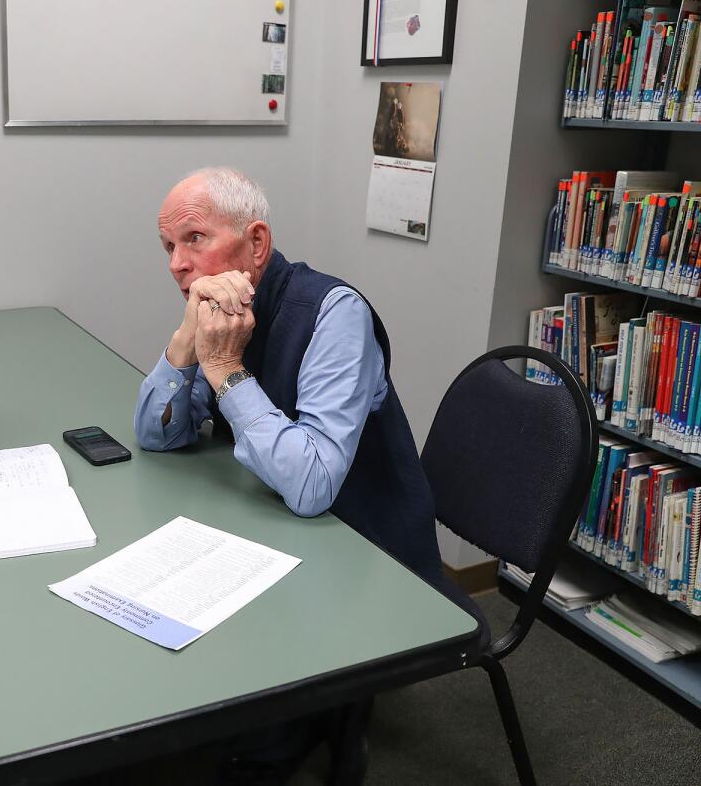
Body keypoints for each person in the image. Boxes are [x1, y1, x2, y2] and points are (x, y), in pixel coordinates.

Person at [134, 167, 468, 783]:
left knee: (246, 750)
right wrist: (185, 341)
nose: (178, 265)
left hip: (367, 548)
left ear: (255, 244)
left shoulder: (333, 314)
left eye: (195, 239)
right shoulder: (218, 317)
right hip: (277, 525)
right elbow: (156, 437)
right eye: (169, 248)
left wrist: (226, 373)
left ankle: (326, 720)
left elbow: (314, 485)